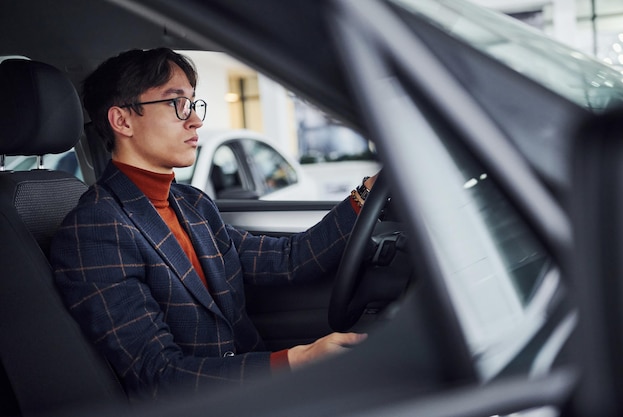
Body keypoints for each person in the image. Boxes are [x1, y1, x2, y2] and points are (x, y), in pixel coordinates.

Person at [50, 47, 377, 401]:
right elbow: (158, 375)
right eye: (177, 104)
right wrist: (296, 361)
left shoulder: (193, 204)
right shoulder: (95, 230)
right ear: (123, 121)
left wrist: (365, 195)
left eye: (193, 103)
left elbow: (287, 260)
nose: (195, 120)